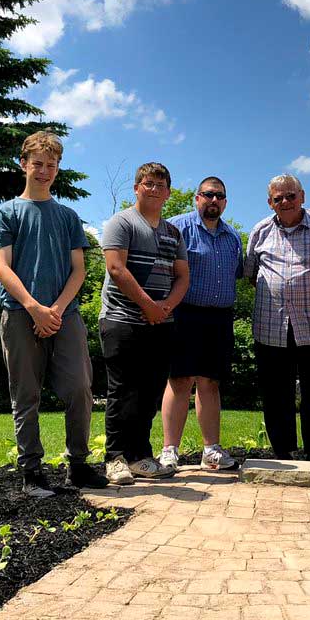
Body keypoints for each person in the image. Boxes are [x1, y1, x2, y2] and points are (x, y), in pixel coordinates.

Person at [0, 131, 106, 495]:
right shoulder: (7, 212)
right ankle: (32, 473)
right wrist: (34, 308)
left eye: (51, 165)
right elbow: (2, 268)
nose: (44, 171)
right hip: (20, 312)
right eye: (37, 164)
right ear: (23, 164)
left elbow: (79, 270)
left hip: (65, 315)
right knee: (26, 395)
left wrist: (54, 310)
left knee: (79, 388)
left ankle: (79, 466)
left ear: (58, 169)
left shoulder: (68, 217)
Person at [245, 174, 310, 464]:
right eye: (278, 198)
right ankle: (282, 450)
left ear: (302, 195)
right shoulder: (261, 230)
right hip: (272, 325)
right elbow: (252, 272)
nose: (285, 202)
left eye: (290, 196)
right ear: (270, 202)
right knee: (276, 392)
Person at [99, 162, 190, 485]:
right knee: (122, 391)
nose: (153, 189)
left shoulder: (172, 232)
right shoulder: (121, 223)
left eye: (160, 185)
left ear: (168, 193)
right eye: (148, 183)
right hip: (121, 320)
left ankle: (139, 456)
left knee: (150, 392)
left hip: (161, 324)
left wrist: (164, 307)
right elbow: (116, 269)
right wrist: (148, 306)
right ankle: (115, 458)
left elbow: (182, 276)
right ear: (136, 187)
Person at [160, 177, 243, 471]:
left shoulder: (232, 237)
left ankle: (211, 450)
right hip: (184, 314)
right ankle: (169, 450)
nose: (214, 200)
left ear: (225, 201)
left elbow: (237, 274)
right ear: (197, 198)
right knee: (179, 381)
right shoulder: (176, 227)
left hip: (219, 318)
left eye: (220, 196)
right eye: (208, 195)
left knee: (210, 382)